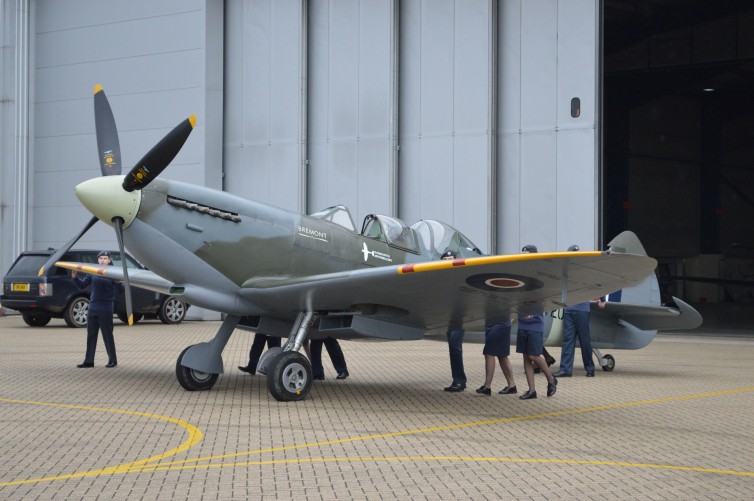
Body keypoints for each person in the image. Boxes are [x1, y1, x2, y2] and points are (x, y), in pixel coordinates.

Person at [516, 244, 557, 399]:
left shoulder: (539, 275)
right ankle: (532, 390)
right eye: (523, 254)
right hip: (522, 323)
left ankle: (551, 379)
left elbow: (544, 300)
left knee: (534, 356)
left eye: (527, 254)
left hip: (534, 323)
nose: (524, 257)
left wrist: (532, 315)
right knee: (526, 358)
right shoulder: (520, 275)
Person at [553, 244, 597, 378]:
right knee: (568, 340)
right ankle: (566, 369)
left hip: (582, 309)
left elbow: (595, 286)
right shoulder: (565, 270)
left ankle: (590, 368)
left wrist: (601, 299)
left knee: (584, 340)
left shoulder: (584, 270)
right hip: (569, 309)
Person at [72, 250, 118, 368]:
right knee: (91, 335)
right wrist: (75, 277)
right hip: (93, 307)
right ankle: (89, 361)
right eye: (101, 258)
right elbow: (82, 285)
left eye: (105, 258)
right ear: (97, 260)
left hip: (106, 308)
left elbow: (121, 288)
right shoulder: (92, 272)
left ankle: (112, 360)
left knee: (107, 335)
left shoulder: (113, 273)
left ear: (109, 260)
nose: (103, 260)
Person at [440, 250, 467, 392]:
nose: (449, 261)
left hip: (459, 319)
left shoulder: (459, 276)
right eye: (446, 259)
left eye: (451, 259)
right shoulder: (442, 278)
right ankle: (457, 380)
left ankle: (460, 381)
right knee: (453, 348)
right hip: (449, 319)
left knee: (455, 347)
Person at [475, 320, 517, 395]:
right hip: (492, 323)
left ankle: (487, 386)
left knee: (489, 353)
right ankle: (512, 385)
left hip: (501, 323)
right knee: (502, 355)